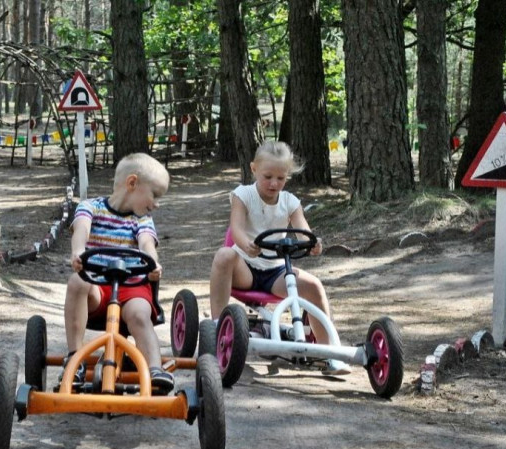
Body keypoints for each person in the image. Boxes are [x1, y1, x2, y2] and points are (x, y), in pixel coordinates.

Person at [208, 140, 351, 375]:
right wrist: (246, 244)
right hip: (245, 267)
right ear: (254, 169)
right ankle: (218, 328)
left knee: (313, 286)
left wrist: (313, 244)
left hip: (276, 271)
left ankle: (328, 353)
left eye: (281, 178)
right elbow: (237, 229)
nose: (274, 183)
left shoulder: (290, 202)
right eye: (268, 176)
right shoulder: (242, 195)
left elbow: (303, 229)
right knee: (224, 255)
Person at [63, 152, 175, 391]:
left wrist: (153, 263)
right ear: (132, 183)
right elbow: (81, 230)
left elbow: (146, 244)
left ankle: (154, 369)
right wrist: (78, 252)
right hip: (98, 289)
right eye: (154, 194)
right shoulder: (90, 207)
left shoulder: (142, 220)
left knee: (138, 313)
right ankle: (75, 359)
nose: (157, 203)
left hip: (132, 287)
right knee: (77, 282)